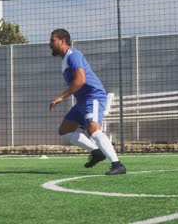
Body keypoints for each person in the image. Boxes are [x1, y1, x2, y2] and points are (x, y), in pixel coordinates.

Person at [49, 29, 126, 175]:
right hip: (82, 100)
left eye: (52, 41)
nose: (50, 44)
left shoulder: (73, 55)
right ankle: (96, 152)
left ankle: (117, 164)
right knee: (64, 131)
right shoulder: (65, 59)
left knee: (93, 129)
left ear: (63, 40)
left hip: (93, 96)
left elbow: (80, 80)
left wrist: (60, 97)